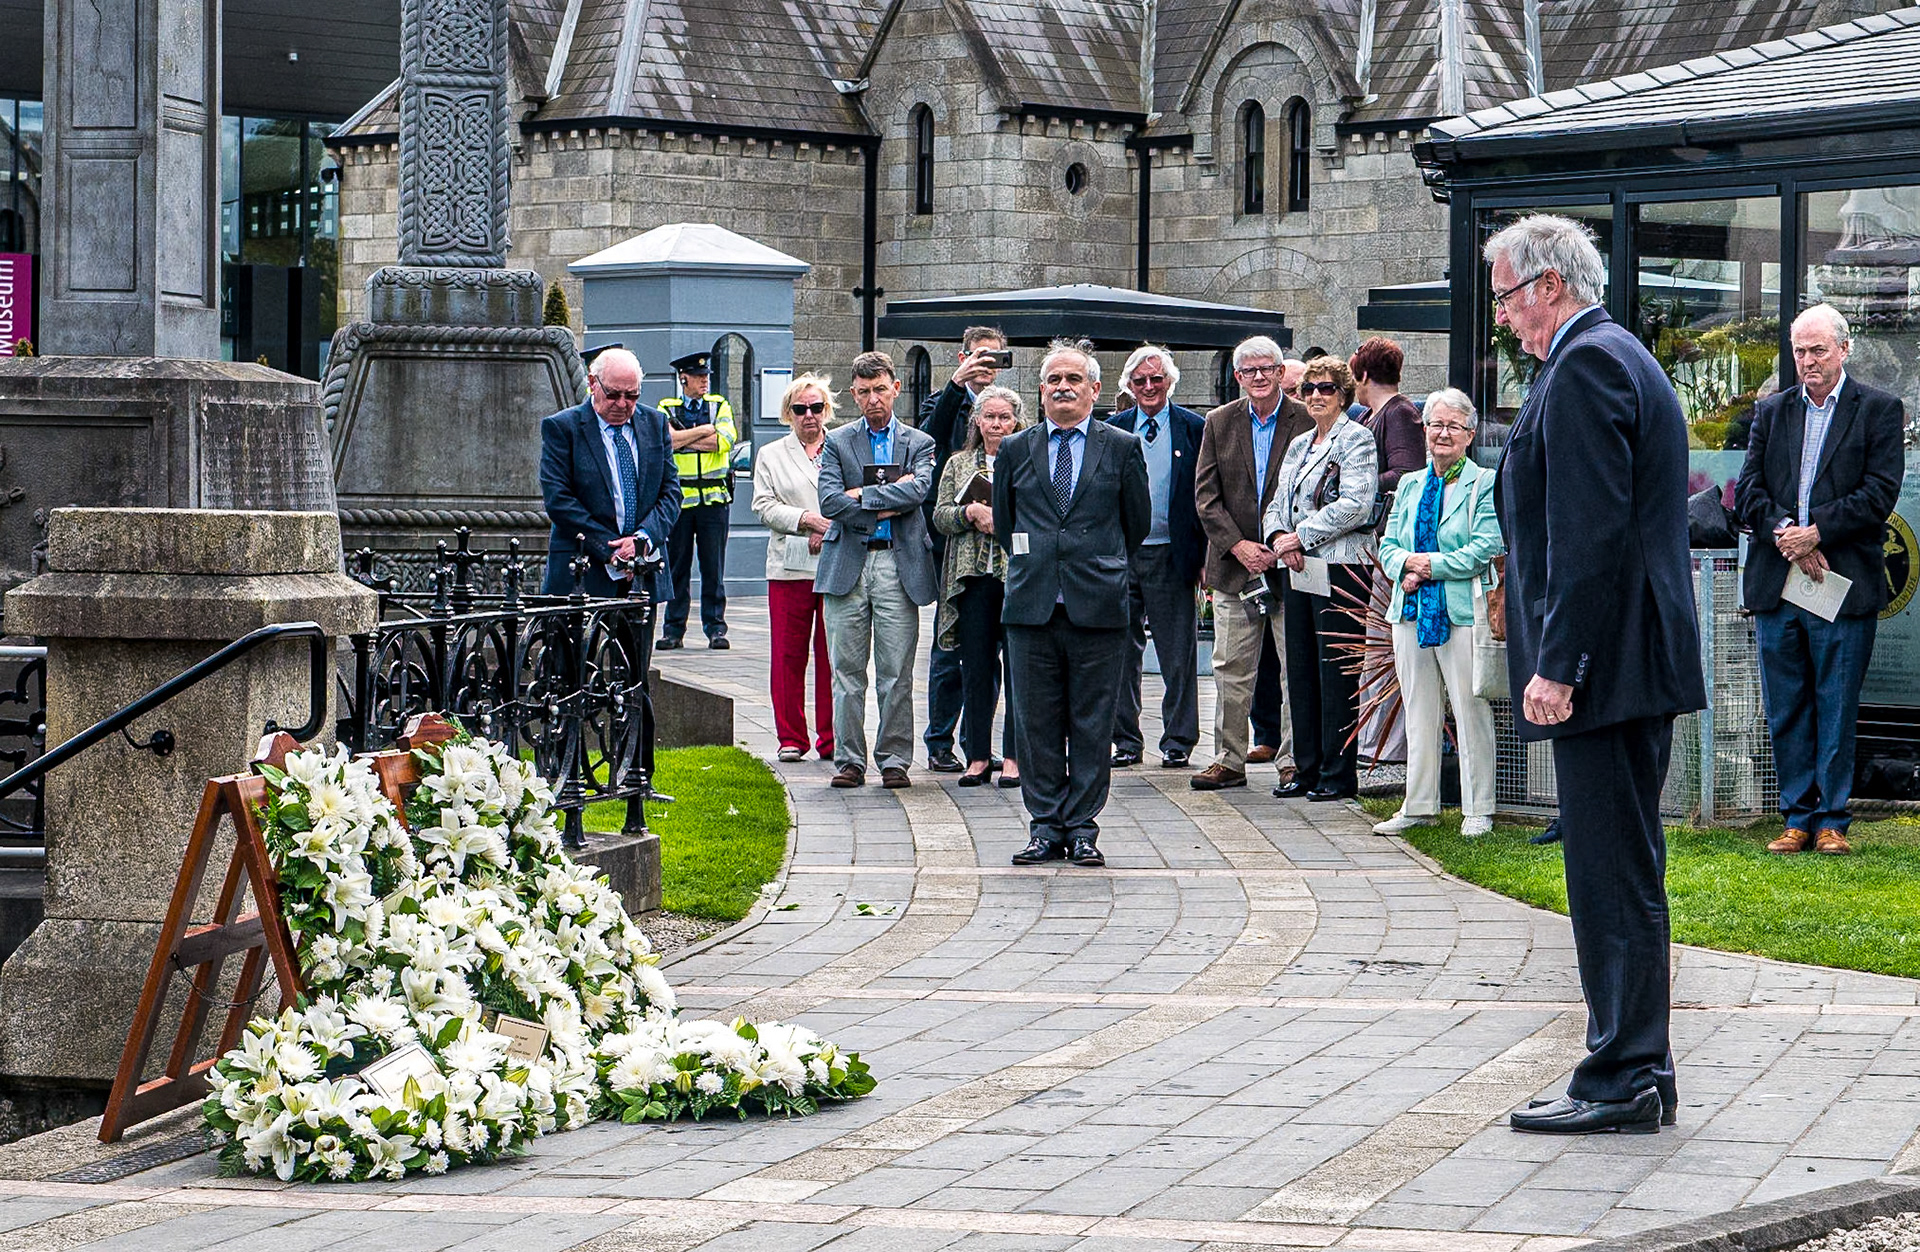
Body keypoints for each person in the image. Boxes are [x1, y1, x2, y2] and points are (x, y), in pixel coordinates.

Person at [1489, 213, 1704, 1136]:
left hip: (1607, 667)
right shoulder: (1605, 356)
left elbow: (1589, 532)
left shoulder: (1587, 364)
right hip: (1623, 662)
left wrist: (1560, 664)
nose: (1503, 317)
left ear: (1548, 285)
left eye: (1506, 297)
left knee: (1611, 878)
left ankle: (1623, 1076)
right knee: (1619, 871)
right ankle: (1635, 1067)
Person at [1735, 303, 1905, 857]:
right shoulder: (1772, 411)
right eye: (1799, 351)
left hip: (1842, 582)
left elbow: (1879, 492)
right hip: (1777, 581)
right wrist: (1787, 533)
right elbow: (1748, 491)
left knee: (1835, 703)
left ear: (1844, 349)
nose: (1807, 361)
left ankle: (1832, 820)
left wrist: (1818, 533)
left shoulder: (1878, 410)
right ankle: (1797, 817)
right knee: (1786, 705)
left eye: (1818, 350)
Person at [994, 340, 1151, 867]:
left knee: (1092, 723)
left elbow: (1136, 523)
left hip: (1097, 606)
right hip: (1032, 607)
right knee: (1035, 723)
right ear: (1041, 390)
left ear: (1095, 389)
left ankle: (1082, 827)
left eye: (1074, 379)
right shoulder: (1015, 449)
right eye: (1054, 380)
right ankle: (1044, 826)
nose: (1063, 387)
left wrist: (1096, 563)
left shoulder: (1122, 447)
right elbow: (1006, 523)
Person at [1372, 388, 1504, 838]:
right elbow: (1389, 545)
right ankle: (1419, 805)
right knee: (1418, 711)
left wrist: (1429, 566)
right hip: (1409, 610)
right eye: (1435, 425)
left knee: (1470, 709)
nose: (1442, 433)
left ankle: (1478, 809)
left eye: (1453, 426)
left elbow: (1485, 547)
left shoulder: (1484, 483)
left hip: (1461, 612)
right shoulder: (1410, 484)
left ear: (1469, 434)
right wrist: (1407, 566)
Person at [1191, 335, 1314, 791]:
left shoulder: (1307, 419)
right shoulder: (1219, 422)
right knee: (1230, 668)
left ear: (1282, 373)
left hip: (1291, 563)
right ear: (1238, 377)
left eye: (1267, 369)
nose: (1258, 377)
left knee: (1294, 667)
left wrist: (1282, 544)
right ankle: (1228, 759)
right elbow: (1205, 498)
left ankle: (1294, 760)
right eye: (1249, 371)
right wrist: (1239, 546)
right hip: (1234, 567)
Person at [816, 351, 939, 790]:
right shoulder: (837, 441)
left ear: (896, 389)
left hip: (897, 564)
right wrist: (887, 499)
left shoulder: (919, 443)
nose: (874, 399)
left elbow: (918, 492)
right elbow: (829, 502)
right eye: (865, 392)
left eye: (881, 390)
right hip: (847, 563)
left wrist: (861, 496)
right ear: (854, 394)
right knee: (846, 673)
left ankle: (894, 760)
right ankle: (849, 760)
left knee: (896, 673)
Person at [1263, 356, 1379, 802]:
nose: (1315, 396)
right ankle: (1306, 769)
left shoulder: (1357, 438)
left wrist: (1301, 536)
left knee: (1336, 673)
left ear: (1343, 394)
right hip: (1297, 567)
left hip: (1342, 567)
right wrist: (1279, 537)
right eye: (1307, 388)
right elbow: (1277, 501)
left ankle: (1337, 774)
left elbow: (1356, 504)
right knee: (1301, 669)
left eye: (1326, 388)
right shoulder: (1299, 444)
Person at [1108, 345, 1206, 770]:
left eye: (1156, 378)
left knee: (1177, 652)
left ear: (1170, 382)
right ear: (1129, 386)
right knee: (1119, 652)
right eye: (1140, 380)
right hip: (1122, 553)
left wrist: (1204, 555)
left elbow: (1206, 493)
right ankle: (1126, 741)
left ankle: (1178, 740)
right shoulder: (1113, 428)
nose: (1149, 386)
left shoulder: (1194, 427)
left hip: (1173, 552)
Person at [919, 325, 1010, 773]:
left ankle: (979, 743)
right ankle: (940, 740)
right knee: (949, 647)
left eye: (995, 357)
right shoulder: (944, 401)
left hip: (1002, 556)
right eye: (979, 356)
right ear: (962, 358)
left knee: (988, 653)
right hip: (954, 548)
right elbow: (928, 441)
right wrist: (957, 386)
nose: (986, 365)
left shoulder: (1006, 408)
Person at [932, 385, 1029, 787]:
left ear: (1017, 421)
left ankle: (1014, 756)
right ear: (977, 421)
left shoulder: (1028, 458)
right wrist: (970, 511)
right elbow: (939, 516)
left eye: (1005, 417)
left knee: (1020, 669)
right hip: (972, 579)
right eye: (989, 416)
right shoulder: (958, 463)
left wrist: (1004, 515)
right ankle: (977, 756)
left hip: (1017, 576)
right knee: (975, 667)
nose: (997, 424)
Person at [539, 347, 681, 600]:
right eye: (613, 394)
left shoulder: (655, 424)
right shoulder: (562, 428)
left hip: (642, 572)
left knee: (638, 629)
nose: (622, 404)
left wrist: (642, 540)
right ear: (593, 383)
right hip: (582, 573)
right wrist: (612, 549)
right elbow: (558, 500)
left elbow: (671, 493)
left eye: (632, 395)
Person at [751, 374, 839, 764]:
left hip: (836, 561)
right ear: (788, 413)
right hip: (790, 565)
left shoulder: (842, 447)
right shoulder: (771, 454)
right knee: (788, 655)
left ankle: (832, 737)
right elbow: (763, 505)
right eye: (800, 409)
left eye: (816, 407)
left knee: (833, 655)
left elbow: (856, 495)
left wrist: (829, 526)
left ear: (827, 410)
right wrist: (805, 519)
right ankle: (791, 737)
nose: (809, 415)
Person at [658, 351, 737, 650]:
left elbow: (723, 441)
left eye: (706, 376)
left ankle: (716, 629)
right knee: (677, 569)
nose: (705, 381)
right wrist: (704, 431)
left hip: (714, 500)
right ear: (684, 379)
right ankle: (673, 631)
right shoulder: (667, 407)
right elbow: (667, 442)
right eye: (698, 376)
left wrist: (686, 437)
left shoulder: (719, 405)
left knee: (713, 569)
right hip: (680, 502)